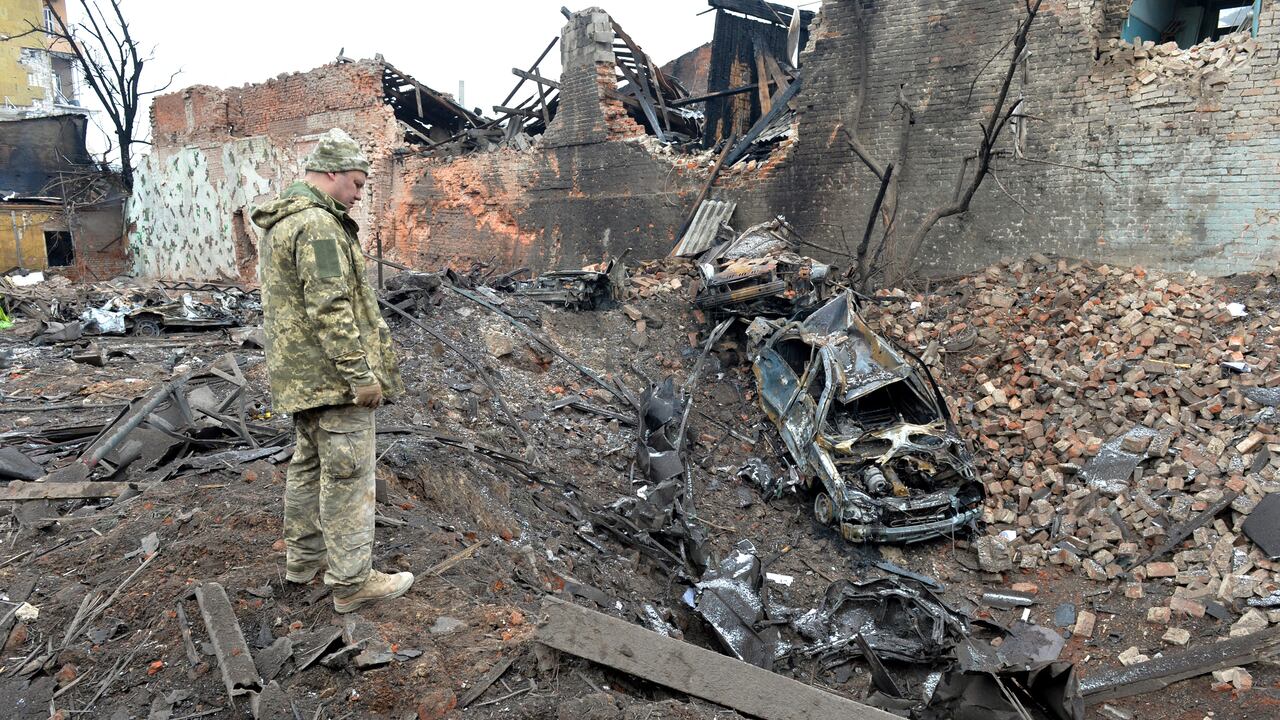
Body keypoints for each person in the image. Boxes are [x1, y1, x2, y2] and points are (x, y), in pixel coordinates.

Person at [252, 128, 412, 614]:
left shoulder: (284, 221)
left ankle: (303, 564)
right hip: (332, 381)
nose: (360, 195)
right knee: (348, 476)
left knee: (309, 467)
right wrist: (360, 374)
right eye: (358, 184)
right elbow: (330, 305)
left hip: (301, 380)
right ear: (332, 174)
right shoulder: (319, 227)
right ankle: (352, 582)